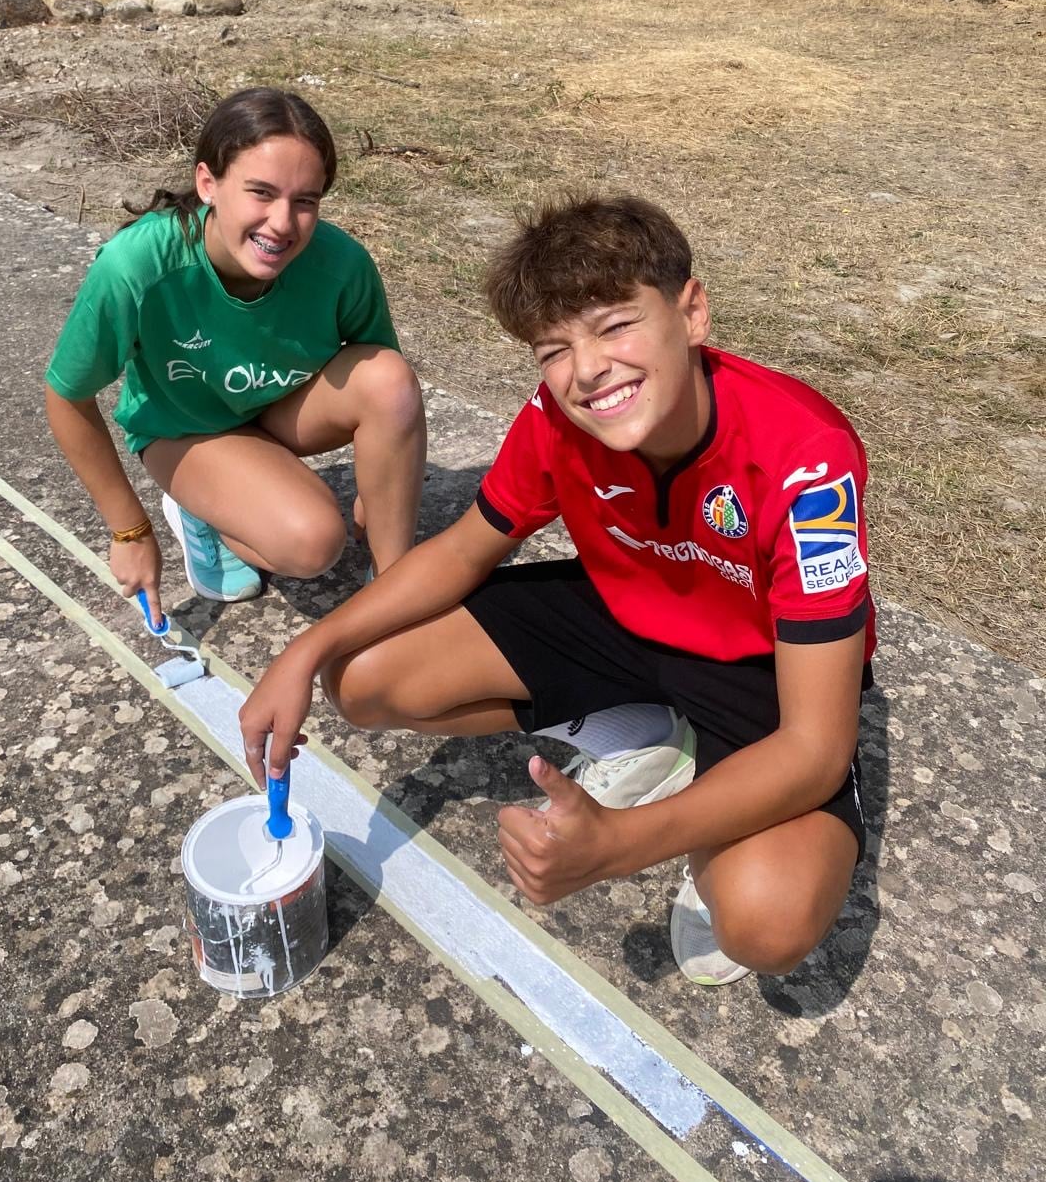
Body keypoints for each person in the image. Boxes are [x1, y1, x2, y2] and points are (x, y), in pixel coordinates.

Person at [239, 193, 875, 988]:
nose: (587, 371)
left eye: (615, 326)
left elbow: (816, 751)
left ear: (692, 312)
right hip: (624, 616)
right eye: (553, 348)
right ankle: (644, 733)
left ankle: (703, 796)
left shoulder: (807, 458)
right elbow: (465, 551)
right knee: (360, 678)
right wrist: (305, 649)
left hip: (758, 665)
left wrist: (624, 842)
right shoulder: (558, 415)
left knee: (767, 924)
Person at [44, 87, 426, 625]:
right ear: (209, 184)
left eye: (305, 201)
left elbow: (385, 382)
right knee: (313, 544)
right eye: (261, 192)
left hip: (274, 409)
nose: (282, 223)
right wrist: (128, 530)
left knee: (389, 380)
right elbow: (67, 394)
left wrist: (379, 487)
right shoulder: (137, 265)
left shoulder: (341, 264)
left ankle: (397, 586)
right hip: (185, 430)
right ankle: (198, 508)